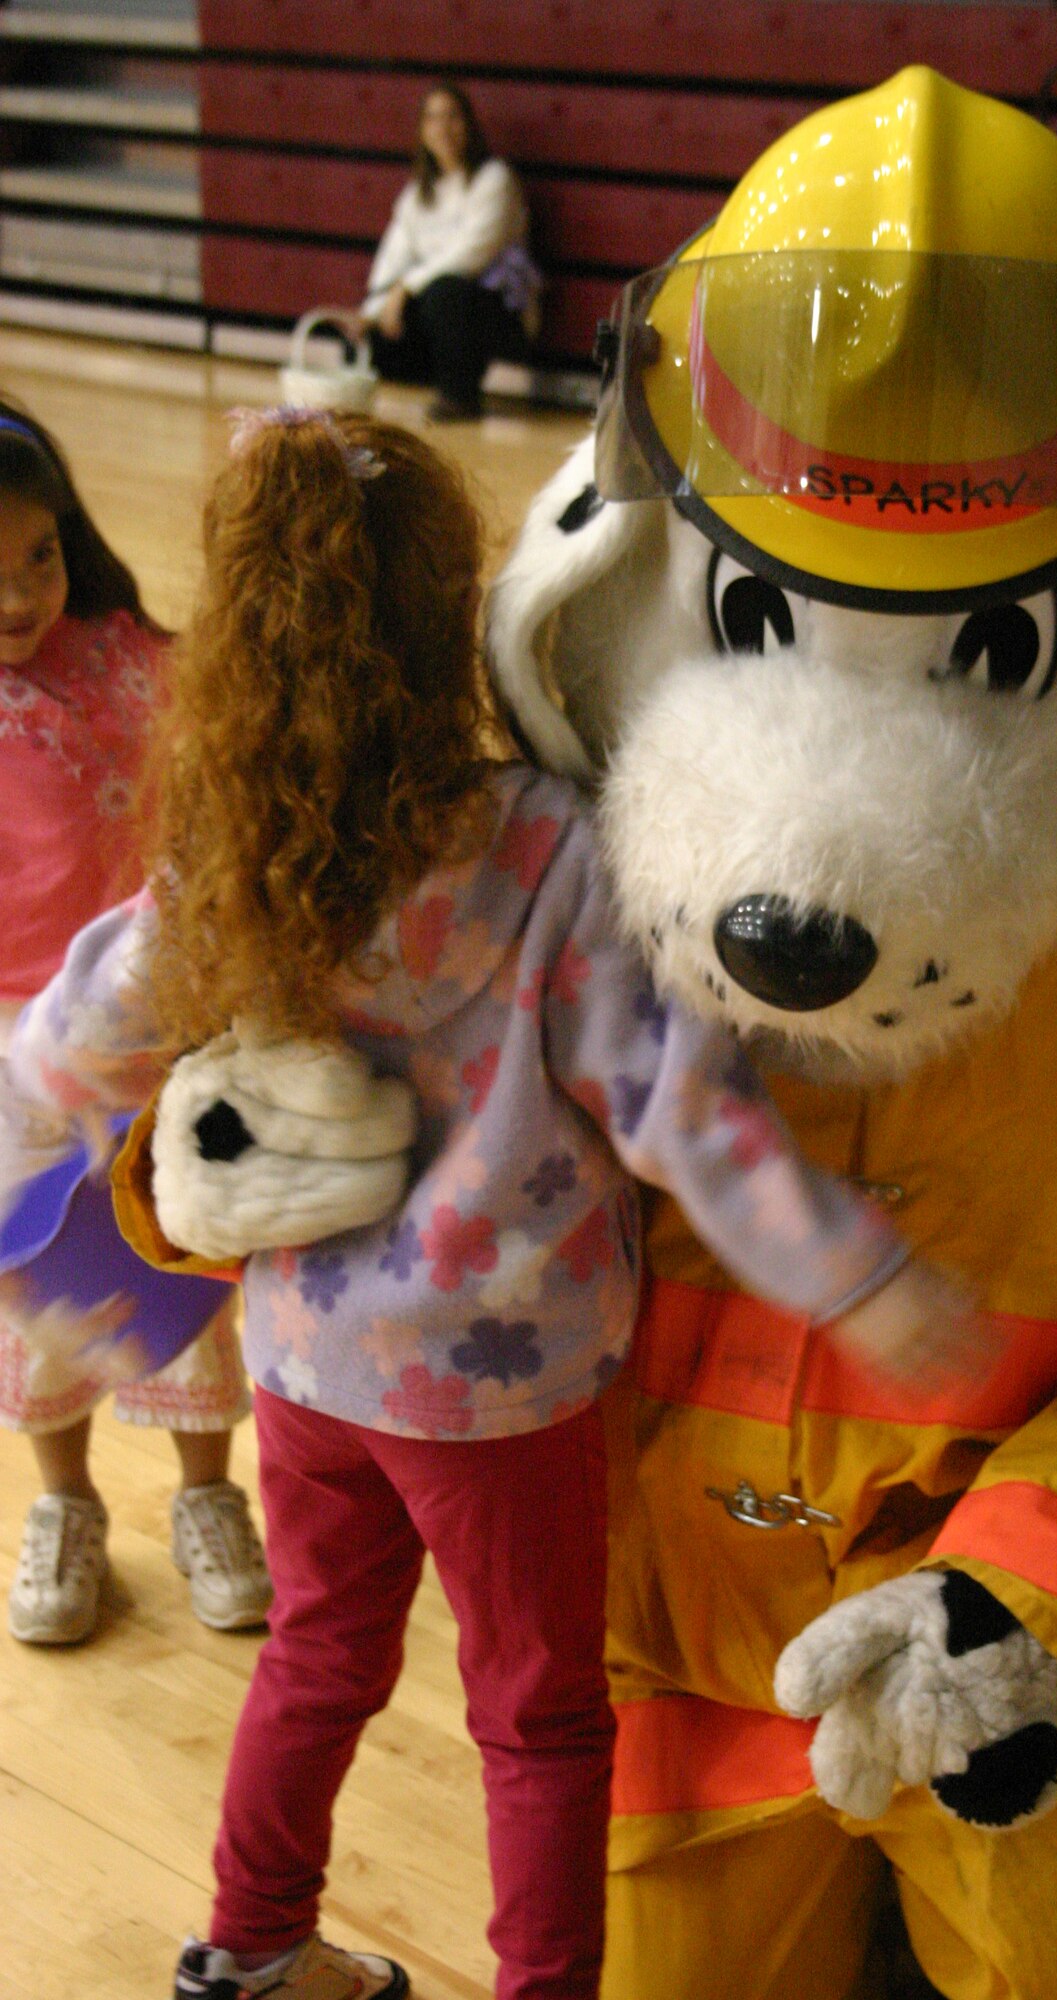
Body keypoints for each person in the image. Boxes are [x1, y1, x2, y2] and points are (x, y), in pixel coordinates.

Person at [7, 408, 989, 2000]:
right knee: (536, 1718)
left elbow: (68, 1037)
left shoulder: (230, 853)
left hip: (310, 1367)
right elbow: (682, 1109)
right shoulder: (545, 849)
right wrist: (857, 1274)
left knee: (318, 1659)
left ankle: (250, 1951)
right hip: (504, 1392)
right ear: (453, 615)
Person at [0, 400, 272, 1650]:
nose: (19, 595)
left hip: (160, 1026)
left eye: (38, 556)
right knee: (45, 1289)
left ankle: (209, 1493)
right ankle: (65, 1507)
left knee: (183, 1270)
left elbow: (218, 748)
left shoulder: (125, 650)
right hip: (20, 1055)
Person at [356, 83, 540, 422]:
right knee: (378, 333)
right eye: (432, 118)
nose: (442, 127)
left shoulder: (494, 179)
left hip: (496, 313)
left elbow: (470, 256)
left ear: (469, 124)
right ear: (422, 131)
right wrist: (369, 314)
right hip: (437, 313)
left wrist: (406, 288)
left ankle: (460, 397)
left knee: (445, 292)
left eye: (452, 116)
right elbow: (391, 261)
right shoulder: (416, 196)